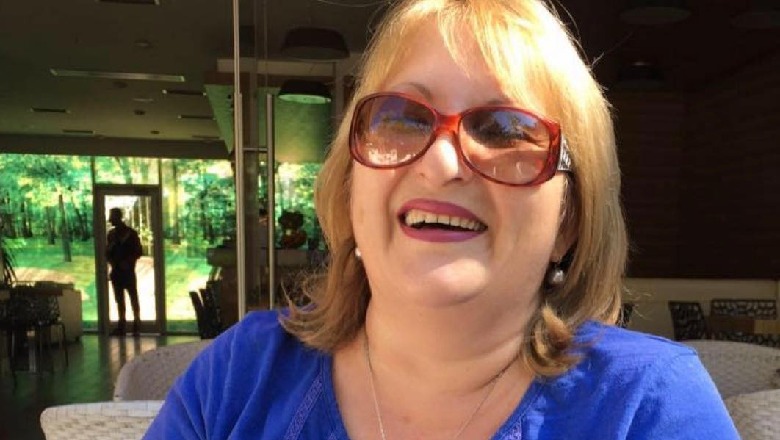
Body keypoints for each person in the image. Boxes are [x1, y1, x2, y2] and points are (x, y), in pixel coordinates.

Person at [145, 0, 738, 438]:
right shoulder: (238, 378)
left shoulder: (648, 406)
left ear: (569, 221)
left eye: (505, 130)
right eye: (402, 118)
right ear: (351, 185)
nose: (442, 163)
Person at [106, 207, 142, 337]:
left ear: (118, 217)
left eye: (112, 217)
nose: (110, 220)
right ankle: (122, 326)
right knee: (119, 300)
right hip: (116, 272)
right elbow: (107, 253)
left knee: (133, 298)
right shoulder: (111, 235)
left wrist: (127, 262)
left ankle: (136, 325)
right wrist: (112, 261)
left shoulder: (131, 234)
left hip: (128, 272)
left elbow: (138, 251)